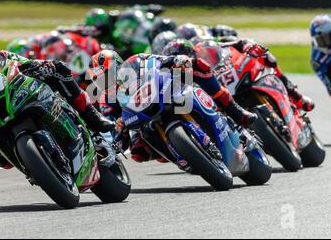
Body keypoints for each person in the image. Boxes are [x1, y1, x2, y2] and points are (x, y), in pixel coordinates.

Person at [0, 35, 114, 169]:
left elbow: (23, 64)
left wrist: (41, 67)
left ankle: (91, 115)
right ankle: (27, 164)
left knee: (58, 69)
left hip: (19, 97)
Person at [88, 43, 257, 163]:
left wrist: (175, 61)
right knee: (138, 153)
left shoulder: (134, 61)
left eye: (108, 74)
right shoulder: (106, 100)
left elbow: (160, 60)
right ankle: (173, 152)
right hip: (140, 118)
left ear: (118, 66)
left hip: (163, 91)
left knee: (198, 66)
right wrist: (118, 131)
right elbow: (112, 129)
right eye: (100, 81)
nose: (106, 82)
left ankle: (236, 111)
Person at [172, 36, 315, 112]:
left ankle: (296, 95)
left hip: (233, 78)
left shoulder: (203, 48)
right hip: (222, 98)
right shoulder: (182, 84)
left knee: (267, 58)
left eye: (187, 57)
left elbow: (236, 43)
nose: (185, 63)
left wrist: (248, 46)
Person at [84, 5, 164, 58]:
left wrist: (148, 8)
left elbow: (135, 10)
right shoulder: (103, 44)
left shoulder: (120, 25)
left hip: (150, 43)